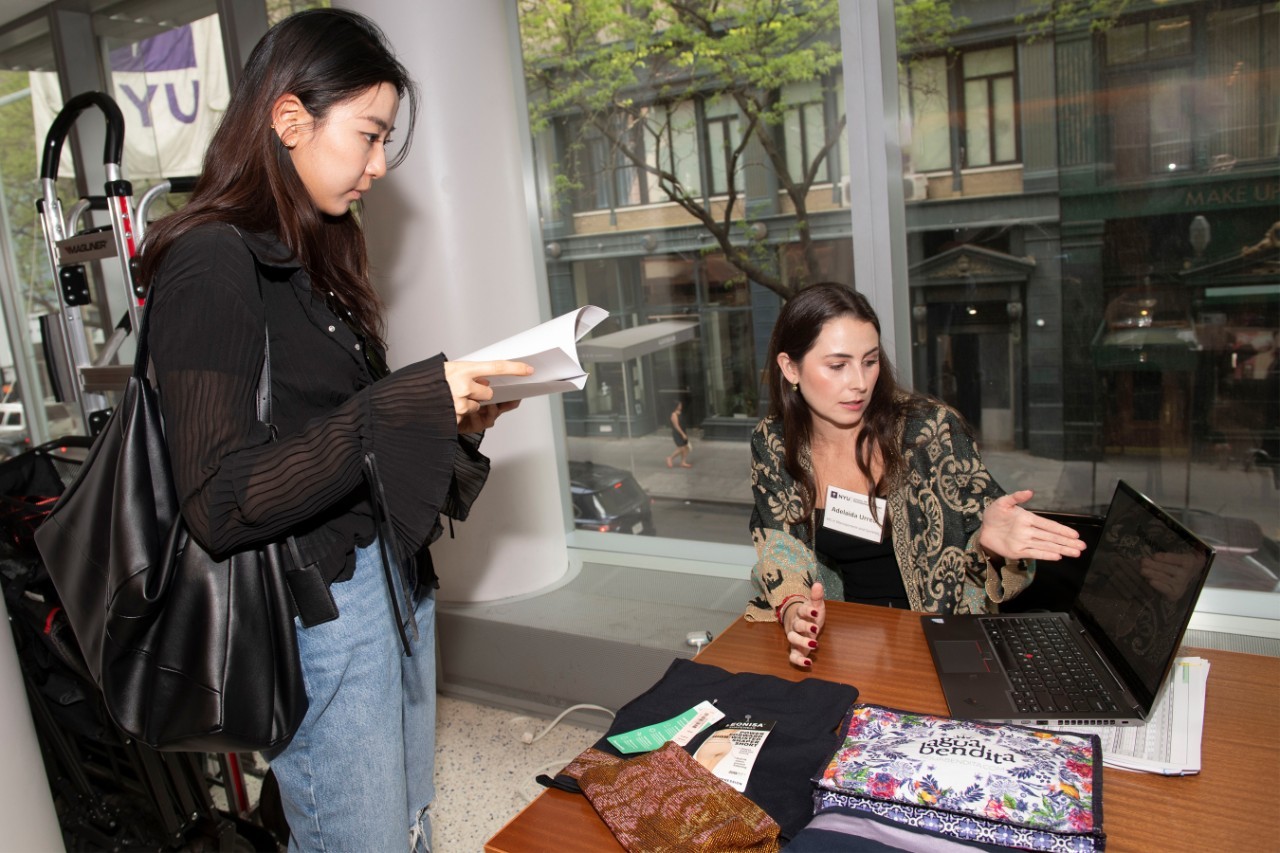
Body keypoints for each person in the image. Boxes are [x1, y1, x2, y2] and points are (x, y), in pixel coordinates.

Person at [137, 10, 531, 851]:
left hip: (388, 581)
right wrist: (402, 403)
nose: (380, 165)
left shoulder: (316, 252)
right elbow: (218, 498)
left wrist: (447, 418)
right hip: (320, 611)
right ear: (288, 121)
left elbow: (338, 437)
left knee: (411, 818)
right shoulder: (211, 261)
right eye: (369, 134)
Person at [744, 283, 1084, 668]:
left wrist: (989, 546)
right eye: (838, 365)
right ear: (790, 367)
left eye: (869, 361)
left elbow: (987, 552)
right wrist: (795, 612)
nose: (859, 382)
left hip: (941, 639)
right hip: (844, 638)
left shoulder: (931, 431)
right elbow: (781, 544)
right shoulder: (774, 441)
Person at [666, 400, 692, 468]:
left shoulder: (680, 412)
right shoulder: (674, 414)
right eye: (679, 405)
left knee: (686, 447)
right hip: (677, 433)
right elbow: (676, 426)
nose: (681, 406)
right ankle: (670, 458)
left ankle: (683, 462)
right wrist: (682, 434)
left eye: (681, 405)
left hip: (683, 431)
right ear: (676, 406)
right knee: (681, 448)